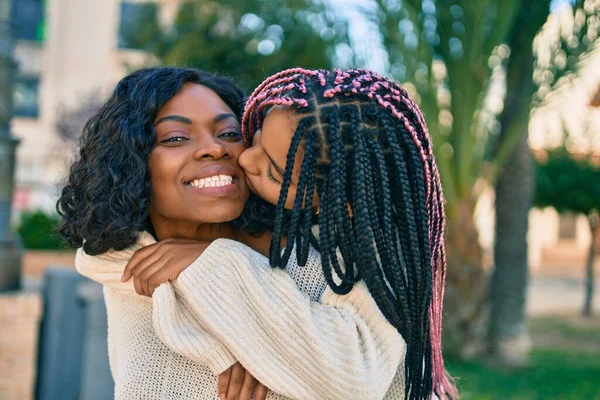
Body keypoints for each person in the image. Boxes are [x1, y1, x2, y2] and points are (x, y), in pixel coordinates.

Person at [120, 68, 457, 400]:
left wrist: (216, 264)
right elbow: (109, 260)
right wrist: (222, 349)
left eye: (273, 171)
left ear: (337, 203)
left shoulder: (357, 258)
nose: (244, 159)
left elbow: (353, 380)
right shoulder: (140, 244)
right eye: (253, 138)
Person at [58, 67, 273, 400]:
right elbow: (92, 257)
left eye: (229, 133)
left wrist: (218, 260)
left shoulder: (303, 255)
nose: (215, 149)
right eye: (175, 138)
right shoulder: (128, 265)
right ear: (132, 165)